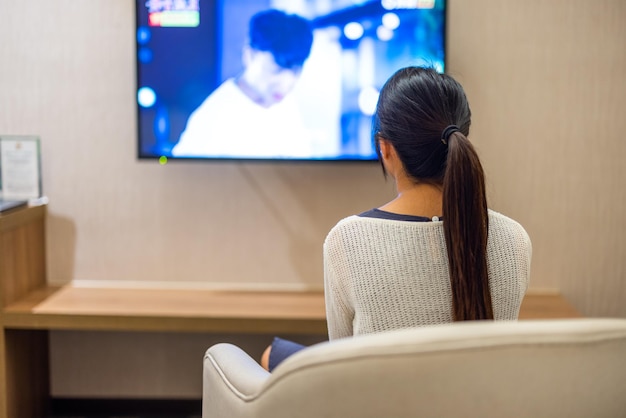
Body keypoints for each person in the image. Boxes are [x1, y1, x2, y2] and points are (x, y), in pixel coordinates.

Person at [261, 66, 532, 371]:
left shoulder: (348, 240)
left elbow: (343, 366)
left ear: (385, 148)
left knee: (272, 356)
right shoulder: (514, 239)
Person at [171, 9, 314, 158]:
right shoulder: (213, 118)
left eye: (296, 72)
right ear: (249, 55)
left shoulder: (287, 105)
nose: (286, 85)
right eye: (275, 70)